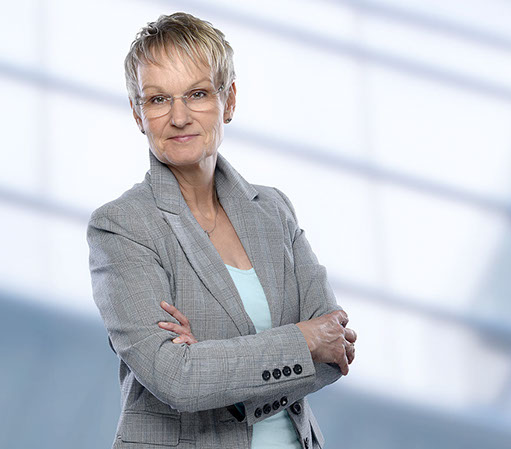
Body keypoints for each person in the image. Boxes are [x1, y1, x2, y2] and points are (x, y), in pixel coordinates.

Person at [87, 12, 357, 449]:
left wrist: (217, 374)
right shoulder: (122, 227)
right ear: (138, 114)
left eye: (197, 94)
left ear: (228, 100)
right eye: (158, 99)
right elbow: (176, 379)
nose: (178, 117)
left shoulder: (274, 211)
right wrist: (302, 341)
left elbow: (335, 350)